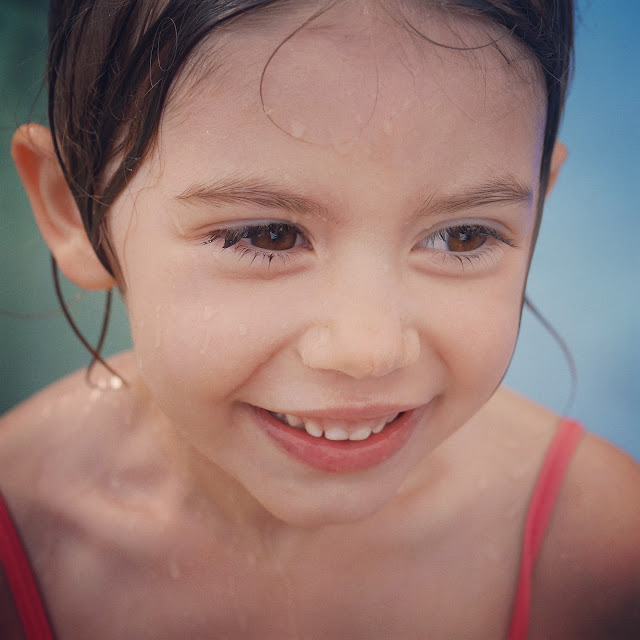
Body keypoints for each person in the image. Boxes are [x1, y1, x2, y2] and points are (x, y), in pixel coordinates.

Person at [1, 0, 639, 638]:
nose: (369, 349)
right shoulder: (18, 532)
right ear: (73, 209)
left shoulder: (606, 550)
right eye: (271, 235)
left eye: (463, 236)